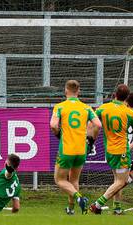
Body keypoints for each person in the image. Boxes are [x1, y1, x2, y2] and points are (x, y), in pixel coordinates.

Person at [89, 84, 133, 215]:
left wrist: (90, 139)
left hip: (109, 150)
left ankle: (117, 208)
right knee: (122, 181)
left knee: (117, 180)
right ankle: (97, 205)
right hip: (121, 151)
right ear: (126, 98)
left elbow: (93, 122)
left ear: (115, 95)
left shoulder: (103, 108)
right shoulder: (129, 112)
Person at [50, 80, 102, 215]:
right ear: (78, 91)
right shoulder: (86, 108)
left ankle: (79, 198)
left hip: (67, 148)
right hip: (81, 149)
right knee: (74, 180)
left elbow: (53, 125)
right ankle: (71, 209)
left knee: (60, 180)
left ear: (65, 90)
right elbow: (98, 124)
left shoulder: (60, 107)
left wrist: (58, 134)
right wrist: (91, 140)